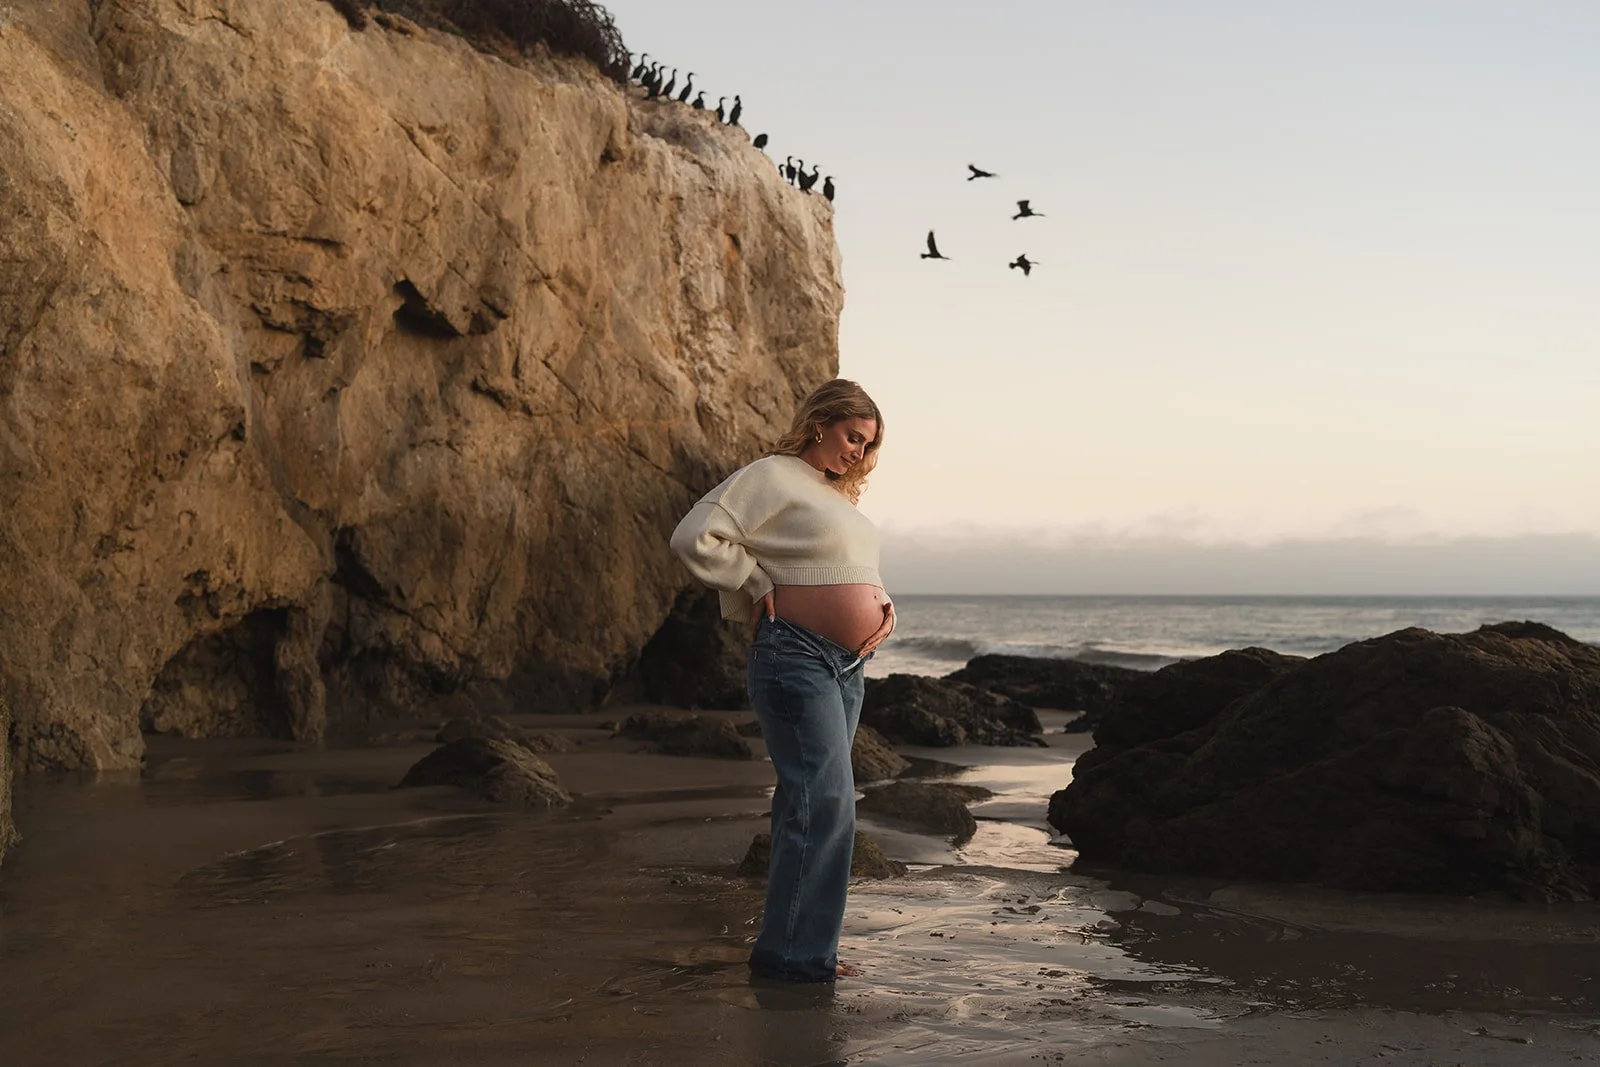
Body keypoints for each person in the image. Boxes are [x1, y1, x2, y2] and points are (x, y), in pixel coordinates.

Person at [669, 378, 894, 982]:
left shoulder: (834, 498)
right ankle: (794, 957)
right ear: (820, 423)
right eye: (852, 436)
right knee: (824, 805)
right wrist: (757, 585)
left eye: (868, 445)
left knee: (815, 805)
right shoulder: (771, 474)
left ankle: (803, 948)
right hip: (796, 656)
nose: (858, 452)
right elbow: (694, 537)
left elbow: (835, 569)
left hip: (845, 668)